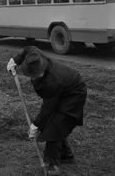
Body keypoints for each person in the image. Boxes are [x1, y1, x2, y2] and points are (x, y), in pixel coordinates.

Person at [7, 46, 87, 176]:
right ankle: (66, 155)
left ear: (43, 68)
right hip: (63, 89)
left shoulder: (52, 81)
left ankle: (52, 164)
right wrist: (15, 60)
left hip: (74, 93)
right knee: (55, 124)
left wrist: (36, 125)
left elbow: (48, 108)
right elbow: (29, 48)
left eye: (36, 75)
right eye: (31, 75)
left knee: (55, 125)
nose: (33, 78)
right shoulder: (36, 56)